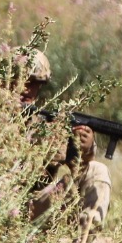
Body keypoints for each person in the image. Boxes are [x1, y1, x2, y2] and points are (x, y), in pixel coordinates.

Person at [17, 51, 112, 231]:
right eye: (23, 81)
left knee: (97, 170)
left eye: (35, 84)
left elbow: (79, 171)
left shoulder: (44, 124)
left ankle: (87, 239)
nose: (27, 89)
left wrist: (84, 148)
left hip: (35, 208)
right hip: (0, 212)